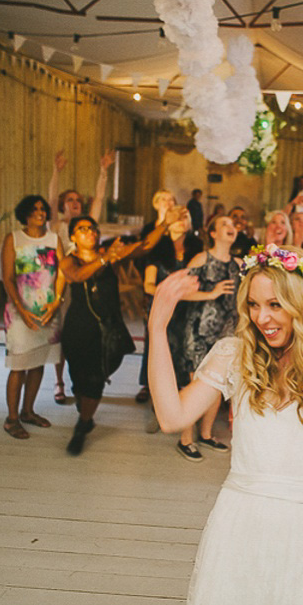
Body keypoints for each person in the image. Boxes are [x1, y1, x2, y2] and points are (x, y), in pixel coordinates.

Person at [146, 246, 303, 605]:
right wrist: (157, 327)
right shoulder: (235, 356)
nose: (261, 317)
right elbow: (171, 416)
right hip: (238, 520)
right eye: (253, 304)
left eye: (275, 304)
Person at [59, 210, 183, 455]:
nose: (90, 232)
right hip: (77, 326)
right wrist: (106, 259)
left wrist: (165, 224)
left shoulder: (111, 256)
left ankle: (82, 426)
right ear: (73, 235)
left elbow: (144, 246)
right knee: (78, 380)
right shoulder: (70, 260)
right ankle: (85, 410)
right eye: (83, 228)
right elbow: (76, 276)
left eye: (93, 228)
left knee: (95, 379)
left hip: (107, 328)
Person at [47, 150, 114, 403]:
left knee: (84, 334)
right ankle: (59, 381)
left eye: (77, 200)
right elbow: (51, 199)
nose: (75, 202)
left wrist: (104, 171)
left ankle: (83, 380)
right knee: (62, 334)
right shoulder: (57, 226)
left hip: (87, 285)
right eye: (70, 200)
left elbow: (98, 198)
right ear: (64, 204)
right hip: (63, 285)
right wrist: (56, 172)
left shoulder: (86, 227)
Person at [176, 216, 242, 461]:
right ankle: (186, 439)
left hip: (227, 332)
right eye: (224, 224)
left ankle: (205, 434)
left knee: (217, 386)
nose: (230, 228)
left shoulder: (239, 264)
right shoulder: (201, 259)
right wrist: (211, 293)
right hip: (199, 330)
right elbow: (181, 292)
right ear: (212, 233)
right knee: (197, 386)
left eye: (232, 225)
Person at [0, 195, 65, 440]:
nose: (40, 212)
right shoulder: (14, 239)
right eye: (34, 209)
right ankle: (12, 418)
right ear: (25, 213)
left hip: (48, 310)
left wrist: (56, 301)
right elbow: (7, 277)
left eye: (42, 209)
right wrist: (22, 309)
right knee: (19, 365)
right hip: (20, 311)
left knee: (38, 362)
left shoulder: (53, 239)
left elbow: (60, 274)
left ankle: (28, 411)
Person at [139, 215, 204, 433]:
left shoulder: (198, 253)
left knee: (185, 361)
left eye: (186, 216)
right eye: (177, 216)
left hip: (189, 313)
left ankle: (184, 412)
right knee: (160, 358)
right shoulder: (158, 253)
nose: (182, 219)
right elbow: (148, 284)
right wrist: (167, 292)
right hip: (165, 313)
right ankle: (157, 410)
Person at [135, 190, 178, 404]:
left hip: (175, 282)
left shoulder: (179, 227)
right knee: (152, 337)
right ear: (156, 204)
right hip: (154, 280)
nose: (168, 203)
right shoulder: (150, 228)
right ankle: (146, 383)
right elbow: (145, 251)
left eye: (171, 200)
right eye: (163, 199)